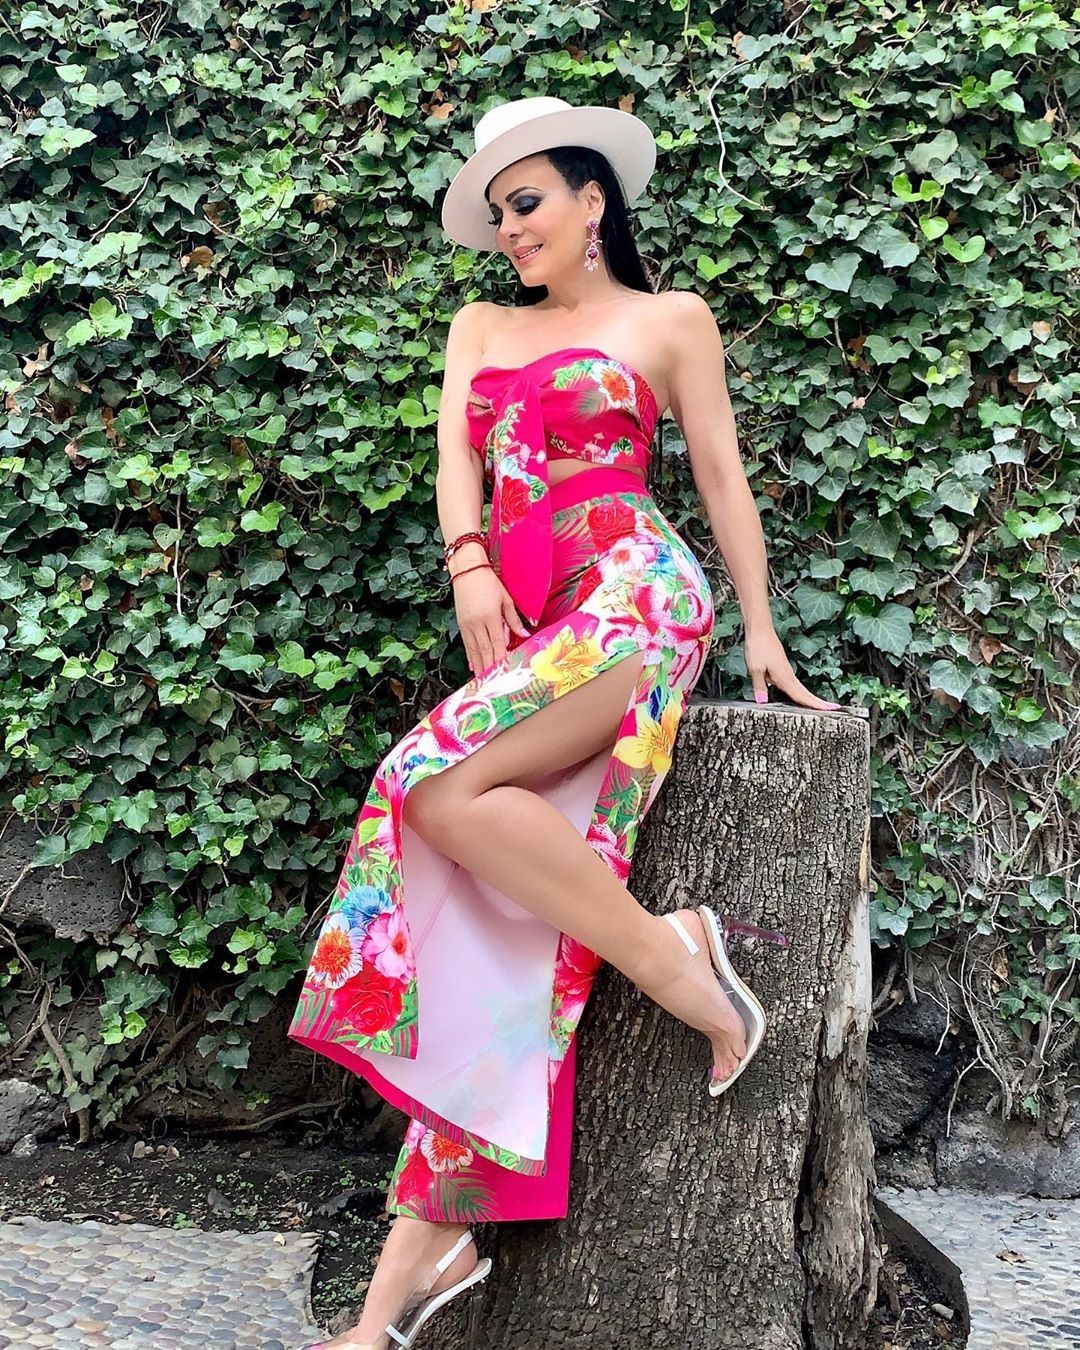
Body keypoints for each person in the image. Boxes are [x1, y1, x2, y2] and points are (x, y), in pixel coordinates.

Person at [290, 95, 842, 1350]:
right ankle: (396, 1299)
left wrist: (760, 628)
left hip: (636, 597)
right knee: (498, 931)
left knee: (428, 783)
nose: (511, 229)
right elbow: (458, 459)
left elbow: (719, 474)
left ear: (595, 200)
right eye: (497, 213)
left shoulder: (670, 318)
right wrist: (468, 562)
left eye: (528, 200)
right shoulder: (479, 326)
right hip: (538, 622)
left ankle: (677, 965)